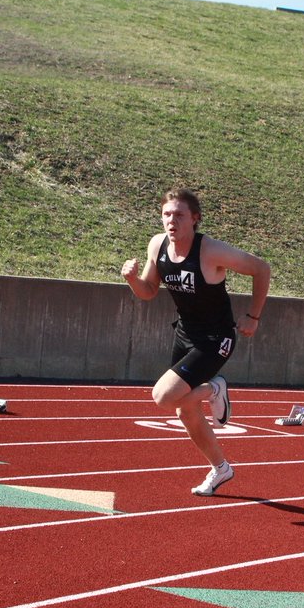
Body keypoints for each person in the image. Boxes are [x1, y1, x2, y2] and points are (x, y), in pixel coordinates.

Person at [121, 188, 271, 496]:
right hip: (186, 334)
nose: (171, 221)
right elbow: (150, 290)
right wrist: (133, 280)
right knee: (183, 409)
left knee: (163, 396)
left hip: (216, 338)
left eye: (179, 215)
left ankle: (215, 388)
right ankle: (221, 469)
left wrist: (253, 317)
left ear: (195, 219)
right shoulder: (157, 245)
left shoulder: (209, 251)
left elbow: (261, 268)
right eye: (166, 214)